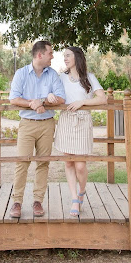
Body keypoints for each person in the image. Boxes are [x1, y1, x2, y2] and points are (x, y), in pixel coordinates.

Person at [9, 40, 66, 218]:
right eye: (50, 53)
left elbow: (61, 98)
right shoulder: (21, 74)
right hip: (27, 124)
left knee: (43, 163)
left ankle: (37, 201)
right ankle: (17, 202)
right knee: (22, 162)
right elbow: (14, 99)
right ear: (40, 55)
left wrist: (40, 102)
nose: (53, 56)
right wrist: (32, 104)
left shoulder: (53, 74)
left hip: (47, 124)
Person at [49, 46, 106, 217]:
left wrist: (82, 102)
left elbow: (102, 98)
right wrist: (50, 95)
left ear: (77, 57)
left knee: (80, 165)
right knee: (68, 162)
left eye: (68, 55)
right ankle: (75, 199)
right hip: (66, 119)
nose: (65, 58)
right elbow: (54, 93)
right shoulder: (61, 77)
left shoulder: (89, 77)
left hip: (82, 121)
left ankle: (81, 191)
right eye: (64, 56)